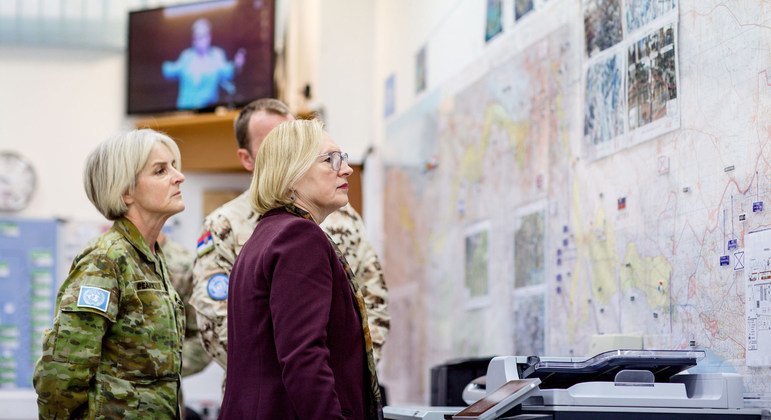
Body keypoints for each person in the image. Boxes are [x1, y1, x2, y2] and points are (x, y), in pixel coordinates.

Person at [189, 98, 389, 371]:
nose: (290, 149)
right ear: (247, 158)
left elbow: (372, 298)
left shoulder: (343, 214)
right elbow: (216, 324)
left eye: (298, 139)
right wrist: (291, 380)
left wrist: (348, 373)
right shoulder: (223, 225)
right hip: (271, 392)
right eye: (276, 142)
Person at [219, 119, 382, 419]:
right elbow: (303, 356)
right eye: (330, 160)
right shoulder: (299, 238)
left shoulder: (264, 235)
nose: (345, 169)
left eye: (343, 158)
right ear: (291, 175)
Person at [33, 129, 186, 419]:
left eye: (174, 167)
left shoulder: (150, 257)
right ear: (126, 191)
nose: (179, 177)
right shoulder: (106, 260)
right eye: (160, 170)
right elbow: (62, 374)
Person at [162, 18, 246, 110]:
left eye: (203, 36)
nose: (200, 40)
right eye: (197, 36)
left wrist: (237, 65)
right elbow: (171, 70)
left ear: (209, 37)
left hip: (208, 110)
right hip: (185, 110)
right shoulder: (186, 55)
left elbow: (228, 71)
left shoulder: (216, 55)